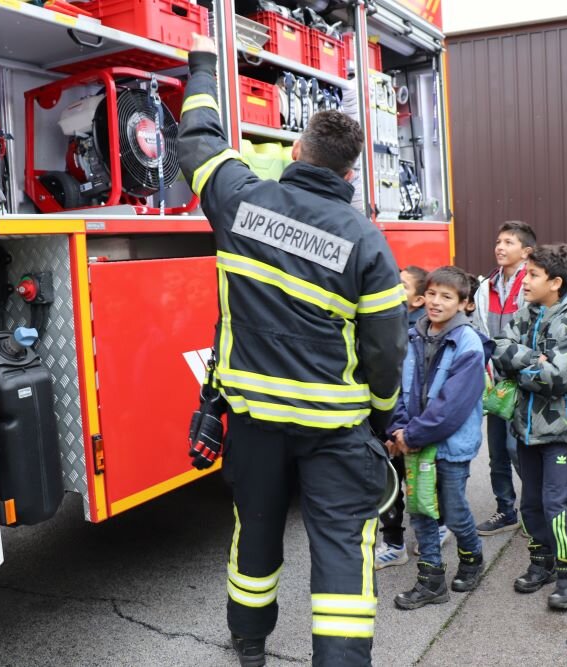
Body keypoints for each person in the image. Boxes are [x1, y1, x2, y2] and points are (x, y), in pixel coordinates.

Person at [178, 35, 408, 667]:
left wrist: (201, 65)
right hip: (335, 431)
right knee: (340, 549)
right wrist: (383, 415)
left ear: (297, 152)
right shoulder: (367, 241)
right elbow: (386, 349)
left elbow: (197, 140)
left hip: (254, 424)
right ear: (350, 174)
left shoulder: (241, 199)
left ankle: (248, 643)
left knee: (254, 533)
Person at [491, 245, 567, 610]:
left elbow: (557, 378)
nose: (525, 280)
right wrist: (533, 360)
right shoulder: (524, 314)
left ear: (555, 282)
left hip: (560, 432)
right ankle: (541, 561)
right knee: (530, 504)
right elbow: (499, 349)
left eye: (532, 275)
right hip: (524, 428)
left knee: (555, 504)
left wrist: (524, 368)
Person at [387, 267, 492, 609]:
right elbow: (402, 391)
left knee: (453, 510)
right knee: (420, 512)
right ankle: (431, 580)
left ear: (464, 304)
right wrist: (398, 430)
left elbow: (452, 407)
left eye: (446, 296)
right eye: (431, 293)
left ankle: (473, 556)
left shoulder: (468, 344)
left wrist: (412, 434)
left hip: (449, 446)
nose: (435, 302)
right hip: (415, 443)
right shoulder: (414, 334)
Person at [378, 265, 451, 569]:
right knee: (389, 481)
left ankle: (437, 527)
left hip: (414, 423)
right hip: (386, 419)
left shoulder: (422, 333)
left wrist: (407, 430)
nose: (394, 290)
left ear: (418, 300)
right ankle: (394, 543)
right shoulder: (380, 323)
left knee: (426, 482)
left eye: (402, 287)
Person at [470, 221, 536, 536]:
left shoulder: (531, 284)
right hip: (495, 384)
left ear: (526, 251)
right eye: (498, 241)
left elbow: (532, 337)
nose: (500, 247)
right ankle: (505, 510)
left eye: (508, 242)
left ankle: (536, 507)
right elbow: (479, 332)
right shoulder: (486, 286)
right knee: (497, 451)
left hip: (523, 383)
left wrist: (518, 368)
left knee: (516, 448)